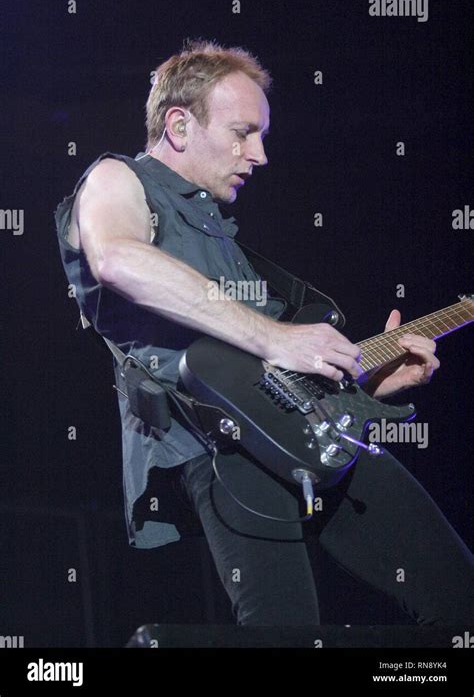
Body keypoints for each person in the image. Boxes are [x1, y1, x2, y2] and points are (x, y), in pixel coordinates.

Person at [54, 38, 474, 626]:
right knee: (285, 628)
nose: (259, 154)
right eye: (243, 132)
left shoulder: (224, 242)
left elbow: (278, 377)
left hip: (317, 438)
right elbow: (118, 260)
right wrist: (276, 338)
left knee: (461, 599)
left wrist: (368, 382)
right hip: (222, 444)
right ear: (179, 125)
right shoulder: (115, 178)